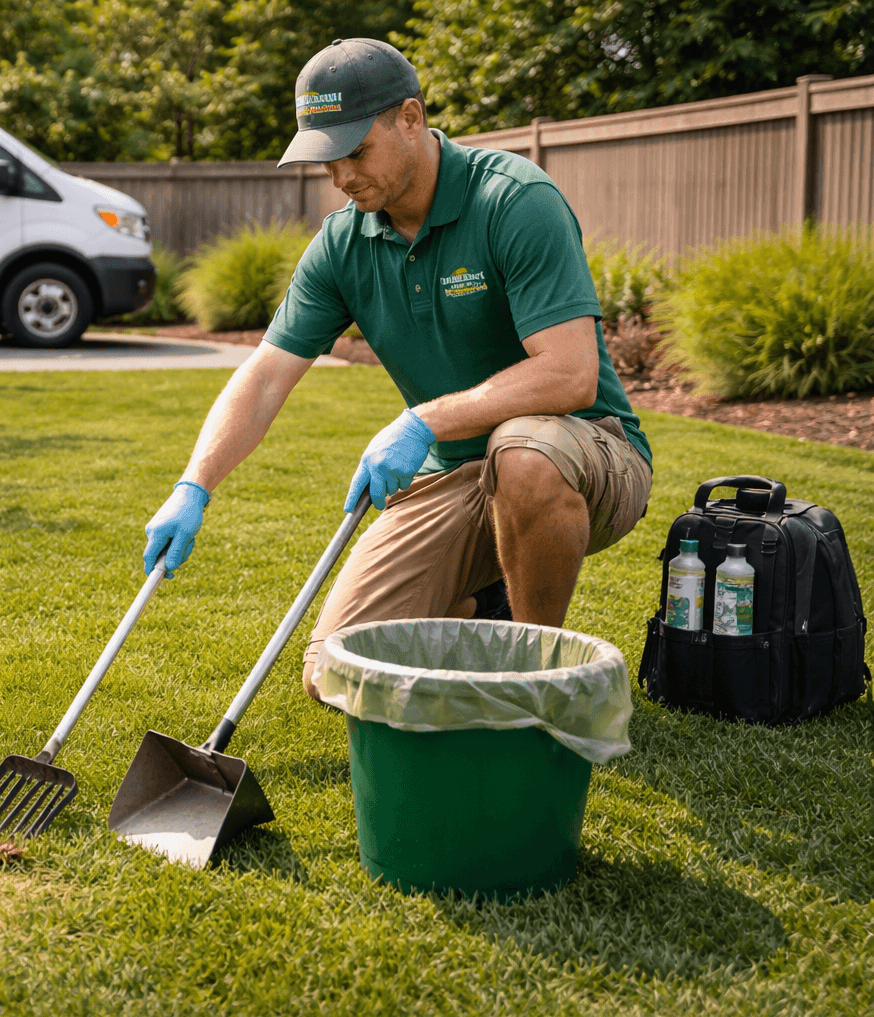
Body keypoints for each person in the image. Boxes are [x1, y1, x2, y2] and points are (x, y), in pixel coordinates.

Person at [141, 38, 652, 699]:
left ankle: (540, 680)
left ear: (410, 118)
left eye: (355, 151)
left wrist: (425, 420)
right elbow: (267, 374)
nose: (342, 176)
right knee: (340, 675)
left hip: (586, 452)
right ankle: (480, 619)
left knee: (522, 453)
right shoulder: (344, 242)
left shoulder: (513, 199)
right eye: (327, 159)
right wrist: (194, 485)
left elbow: (569, 375)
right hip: (456, 476)